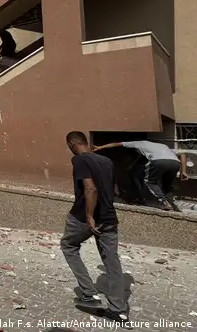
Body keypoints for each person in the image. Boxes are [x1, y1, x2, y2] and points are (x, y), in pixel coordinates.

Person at [62, 131, 130, 327]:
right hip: (109, 218)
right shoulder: (106, 161)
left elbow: (90, 188)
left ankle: (89, 294)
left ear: (72, 144)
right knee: (112, 261)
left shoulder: (79, 160)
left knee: (68, 246)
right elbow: (114, 189)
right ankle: (118, 310)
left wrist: (90, 216)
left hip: (84, 217)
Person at [93, 140, 184, 211]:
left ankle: (164, 202)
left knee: (150, 182)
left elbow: (117, 144)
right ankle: (173, 204)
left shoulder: (138, 143)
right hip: (175, 163)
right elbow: (183, 154)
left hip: (158, 161)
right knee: (167, 185)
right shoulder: (163, 146)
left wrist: (100, 147)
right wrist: (183, 171)